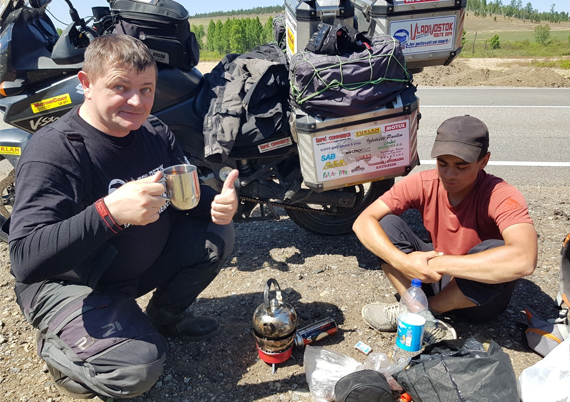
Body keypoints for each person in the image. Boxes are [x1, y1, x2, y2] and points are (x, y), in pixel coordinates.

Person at [8, 35, 239, 399]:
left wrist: (217, 204)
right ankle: (60, 349)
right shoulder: (55, 149)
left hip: (127, 270)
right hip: (68, 283)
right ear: (86, 84)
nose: (137, 101)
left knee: (217, 235)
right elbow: (25, 260)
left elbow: (187, 198)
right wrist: (109, 212)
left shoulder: (155, 132)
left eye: (146, 89)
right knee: (136, 370)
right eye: (120, 87)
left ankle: (164, 318)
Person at [353, 115, 538, 343]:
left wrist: (433, 264)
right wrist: (402, 262)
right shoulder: (424, 183)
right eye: (442, 164)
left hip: (477, 301)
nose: (449, 175)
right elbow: (363, 221)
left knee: (498, 250)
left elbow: (524, 259)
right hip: (434, 278)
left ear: (484, 161)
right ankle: (416, 309)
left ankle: (425, 313)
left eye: (462, 167)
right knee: (385, 224)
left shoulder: (500, 195)